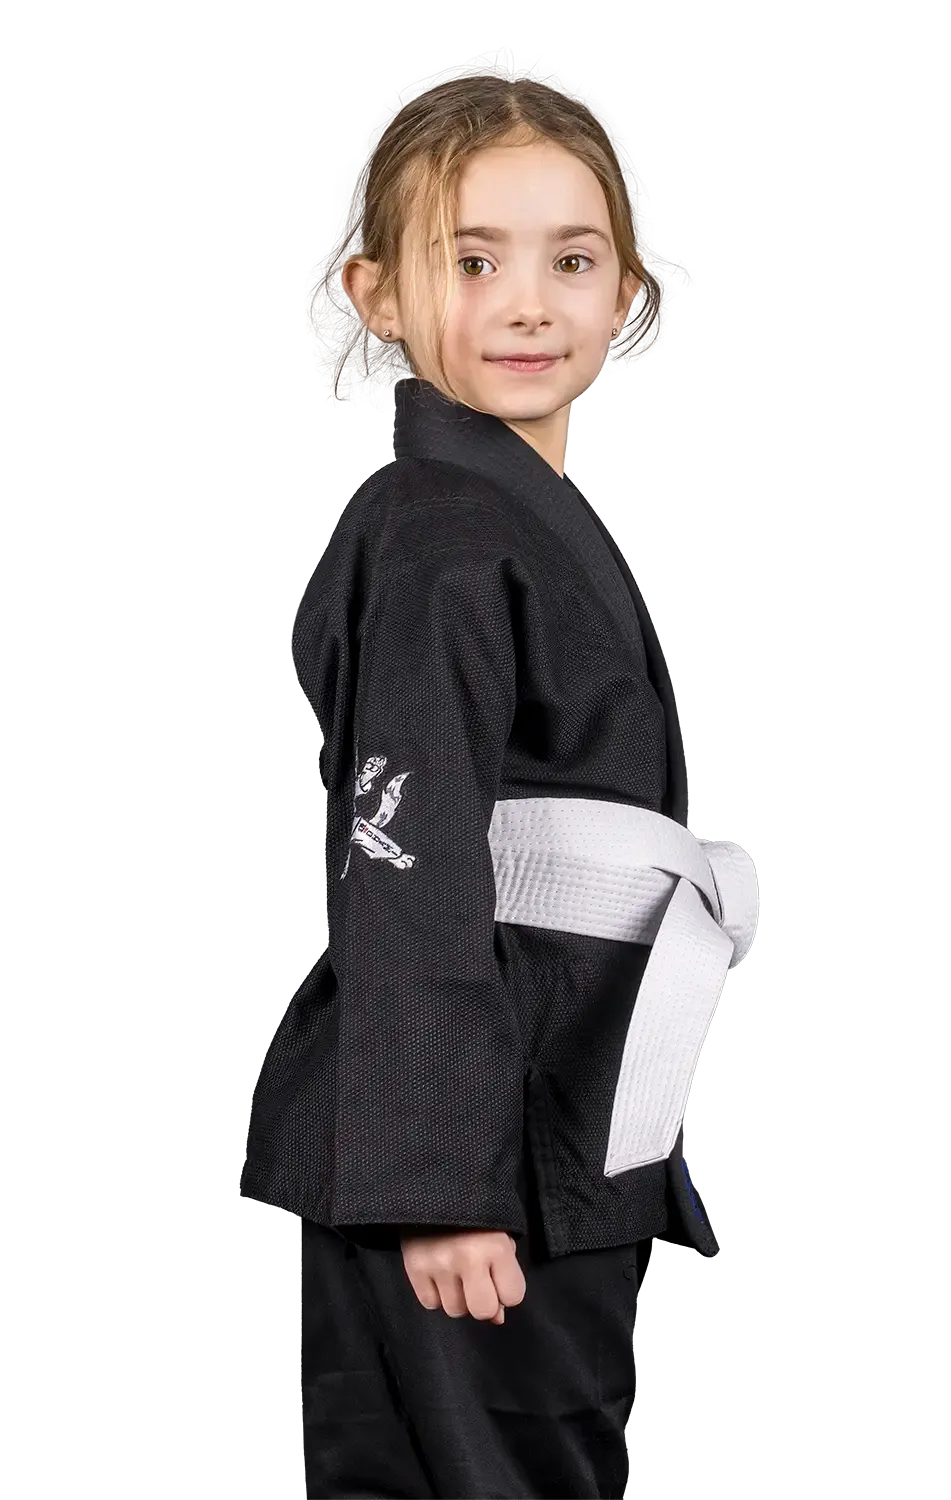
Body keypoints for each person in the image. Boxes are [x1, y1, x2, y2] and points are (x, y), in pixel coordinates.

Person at [242, 54, 757, 1500]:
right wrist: (436, 1188)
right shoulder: (436, 532)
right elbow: (405, 872)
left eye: (569, 260)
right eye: (472, 261)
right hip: (474, 1168)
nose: (528, 303)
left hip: (544, 1121)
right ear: (374, 293)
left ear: (627, 292)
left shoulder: (507, 511)